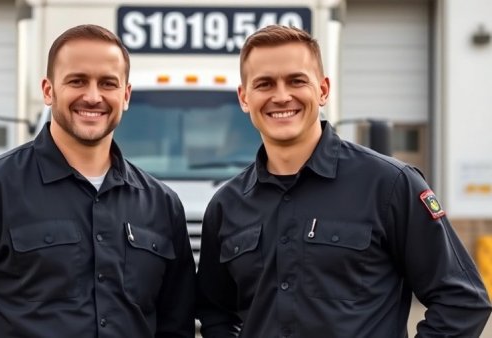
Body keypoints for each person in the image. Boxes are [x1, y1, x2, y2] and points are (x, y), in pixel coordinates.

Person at [0, 24, 195, 337]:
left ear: (126, 95)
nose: (93, 97)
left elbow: (177, 325)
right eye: (77, 81)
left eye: (107, 83)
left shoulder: (161, 204)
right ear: (48, 90)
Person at [195, 25, 491, 337]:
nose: (281, 96)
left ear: (323, 90)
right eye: (265, 84)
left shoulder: (390, 185)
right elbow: (214, 312)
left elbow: (462, 300)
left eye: (296, 81)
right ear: (244, 97)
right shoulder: (227, 205)